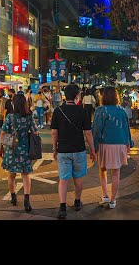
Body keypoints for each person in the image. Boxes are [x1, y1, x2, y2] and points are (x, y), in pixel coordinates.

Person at [51, 84, 96, 219]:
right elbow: (88, 133)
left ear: (65, 96)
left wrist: (54, 149)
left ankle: (62, 207)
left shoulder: (58, 111)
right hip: (79, 149)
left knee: (63, 180)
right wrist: (92, 150)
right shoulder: (82, 111)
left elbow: (54, 132)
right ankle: (77, 201)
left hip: (63, 150)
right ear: (77, 96)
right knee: (78, 179)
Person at [92, 87, 131, 209]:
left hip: (105, 143)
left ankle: (105, 196)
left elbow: (96, 129)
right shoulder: (122, 110)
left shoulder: (100, 110)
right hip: (119, 144)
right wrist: (128, 144)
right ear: (116, 96)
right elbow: (126, 128)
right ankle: (113, 200)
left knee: (102, 169)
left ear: (103, 97)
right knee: (116, 172)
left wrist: (94, 146)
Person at [0, 94, 39, 212]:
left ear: (14, 104)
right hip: (25, 149)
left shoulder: (10, 117)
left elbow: (3, 133)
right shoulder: (29, 116)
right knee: (25, 175)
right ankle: (27, 200)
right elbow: (35, 132)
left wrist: (1, 148)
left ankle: (13, 197)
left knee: (12, 175)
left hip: (11, 149)